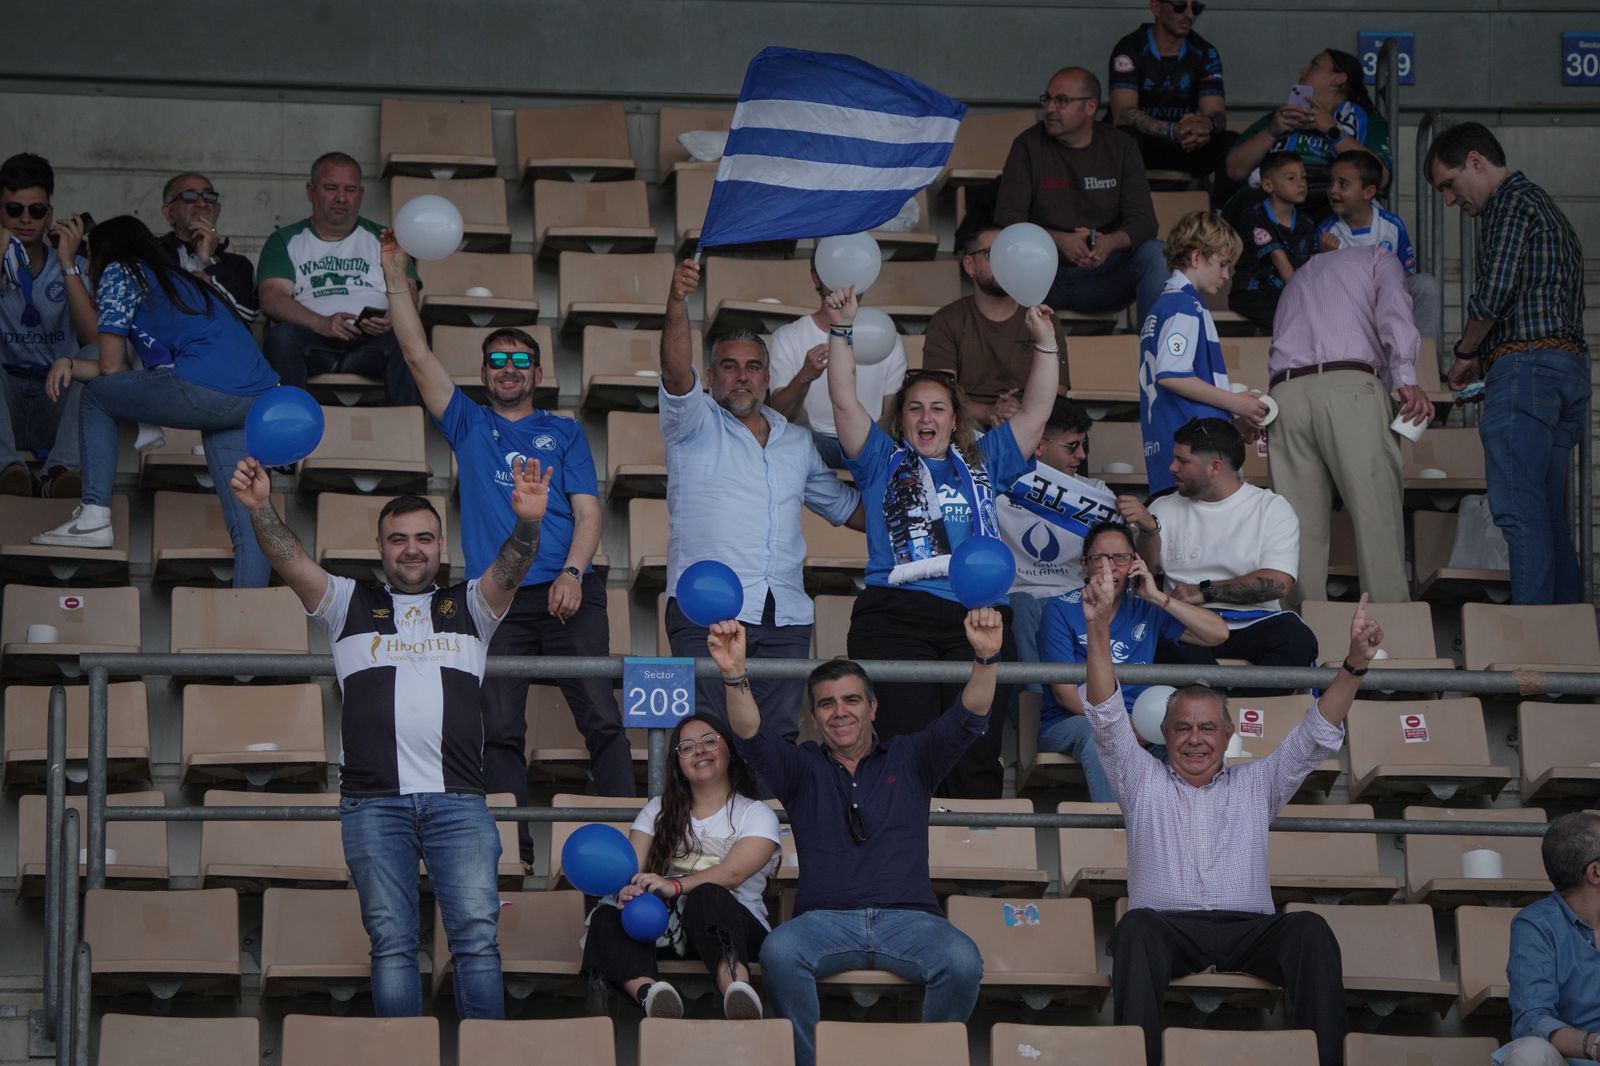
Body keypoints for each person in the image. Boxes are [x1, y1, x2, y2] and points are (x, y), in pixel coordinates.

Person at [230, 456, 554, 1020]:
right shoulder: (347, 604)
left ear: (440, 546)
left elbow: (512, 566)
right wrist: (262, 509)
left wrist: (527, 524)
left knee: (477, 943)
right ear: (380, 548)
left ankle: (488, 1057)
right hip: (373, 802)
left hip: (459, 802)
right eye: (398, 539)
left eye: (424, 539)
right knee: (393, 946)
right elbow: (291, 560)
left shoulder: (471, 606)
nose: (411, 549)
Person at [378, 232, 632, 868]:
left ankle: (633, 838)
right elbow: (414, 352)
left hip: (568, 588)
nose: (509, 371)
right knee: (500, 729)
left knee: (602, 716)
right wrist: (393, 275)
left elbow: (589, 510)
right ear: (485, 373)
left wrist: (573, 572)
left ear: (538, 375)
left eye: (522, 363)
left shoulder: (564, 431)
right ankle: (508, 852)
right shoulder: (467, 424)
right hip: (493, 599)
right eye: (498, 362)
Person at [1084, 575, 1381, 1066]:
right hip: (1168, 928)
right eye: (1182, 728)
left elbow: (1316, 734)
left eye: (1207, 728)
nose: (1195, 739)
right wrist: (1097, 629)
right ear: (1164, 733)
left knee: (1309, 929)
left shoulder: (1257, 782)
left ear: (1228, 734)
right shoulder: (1142, 782)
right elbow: (1106, 715)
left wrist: (1353, 665)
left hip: (1250, 930)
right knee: (1134, 929)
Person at [714, 612, 999, 1066]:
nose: (840, 711)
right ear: (813, 716)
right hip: (825, 922)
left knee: (962, 960)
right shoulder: (801, 766)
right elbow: (749, 734)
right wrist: (734, 675)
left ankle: (931, 1059)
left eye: (851, 700)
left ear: (873, 707)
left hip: (910, 921)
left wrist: (985, 656)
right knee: (780, 951)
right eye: (827, 704)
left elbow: (970, 714)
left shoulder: (911, 757)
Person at [826, 282, 1056, 798]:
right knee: (904, 743)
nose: (925, 417)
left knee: (974, 745)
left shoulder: (985, 459)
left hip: (977, 617)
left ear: (956, 419)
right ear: (901, 419)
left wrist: (1045, 343)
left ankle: (974, 858)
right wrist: (842, 329)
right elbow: (843, 399)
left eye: (937, 408)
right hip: (896, 615)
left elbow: (1037, 412)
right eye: (914, 408)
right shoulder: (880, 460)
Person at [659, 259, 862, 739]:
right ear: (710, 376)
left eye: (753, 367)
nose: (742, 377)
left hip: (785, 615)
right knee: (710, 739)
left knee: (777, 744)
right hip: (707, 609)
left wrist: (918, 517)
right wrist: (675, 302)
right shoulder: (692, 423)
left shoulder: (795, 440)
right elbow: (673, 368)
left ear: (768, 378)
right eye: (729, 367)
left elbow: (846, 509)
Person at [29, 216, 277, 587]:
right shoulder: (172, 278)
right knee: (247, 526)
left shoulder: (118, 271)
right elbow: (124, 369)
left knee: (96, 398)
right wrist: (68, 363)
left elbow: (111, 371)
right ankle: (245, 627)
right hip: (253, 398)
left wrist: (71, 365)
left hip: (206, 385)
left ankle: (94, 515)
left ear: (102, 252)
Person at [1427, 122, 1588, 606]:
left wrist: (1466, 353)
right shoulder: (1547, 208)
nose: (1450, 202)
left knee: (1520, 512)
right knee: (1549, 516)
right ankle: (1567, 651)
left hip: (1526, 374)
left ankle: (1532, 647)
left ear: (1476, 161)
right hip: (1566, 372)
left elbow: (1492, 293)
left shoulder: (1510, 203)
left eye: (1449, 185)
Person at [580, 714, 780, 1021]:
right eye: (686, 747)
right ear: (678, 764)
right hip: (665, 928)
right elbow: (631, 866)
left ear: (729, 750)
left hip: (734, 928)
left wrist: (674, 885)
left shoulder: (756, 813)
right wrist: (628, 889)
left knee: (708, 894)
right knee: (608, 913)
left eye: (709, 741)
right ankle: (650, 994)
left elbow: (733, 874)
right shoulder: (657, 811)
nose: (699, 750)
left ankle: (736, 989)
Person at [1266, 246, 1432, 605]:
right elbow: (1393, 308)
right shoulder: (1378, 258)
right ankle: (1395, 635)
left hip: (1285, 394)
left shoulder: (1299, 278)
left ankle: (1302, 641)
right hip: (1349, 387)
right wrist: (1405, 376)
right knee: (1377, 519)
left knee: (1297, 532)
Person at [1036, 521, 1227, 801]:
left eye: (1121, 558)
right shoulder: (1060, 609)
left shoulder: (1144, 608)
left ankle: (1186, 832)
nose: (1109, 566)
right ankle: (1117, 835)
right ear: (1084, 565)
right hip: (1072, 721)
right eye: (1099, 558)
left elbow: (1217, 634)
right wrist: (1122, 726)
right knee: (1104, 737)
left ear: (1135, 564)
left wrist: (1156, 596)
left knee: (1187, 738)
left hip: (1142, 724)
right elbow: (1065, 694)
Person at [1119, 418, 1319, 685]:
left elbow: (1278, 584)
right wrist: (1148, 529)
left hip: (1254, 621)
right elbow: (1144, 570)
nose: (1172, 468)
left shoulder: (1271, 508)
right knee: (1163, 645)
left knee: (1297, 640)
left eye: (1183, 461)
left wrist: (1203, 591)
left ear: (1215, 467)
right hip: (1185, 623)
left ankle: (1244, 711)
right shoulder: (1161, 507)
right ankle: (1215, 712)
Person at [994, 67, 1166, 324]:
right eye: (1048, 99)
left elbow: (1144, 222)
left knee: (1158, 253)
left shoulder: (1121, 146)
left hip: (1103, 275)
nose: (1050, 108)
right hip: (1041, 277)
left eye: (1061, 101)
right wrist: (1059, 240)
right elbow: (1008, 218)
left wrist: (1109, 243)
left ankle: (1157, 356)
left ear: (1090, 107)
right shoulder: (1027, 145)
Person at [257, 151, 421, 406]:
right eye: (331, 188)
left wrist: (393, 319)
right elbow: (271, 297)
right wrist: (320, 323)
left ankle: (409, 438)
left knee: (408, 339)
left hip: (374, 343)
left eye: (350, 189)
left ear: (361, 195)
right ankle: (288, 431)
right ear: (311, 192)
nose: (341, 198)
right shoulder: (285, 240)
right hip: (312, 341)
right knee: (282, 338)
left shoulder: (386, 238)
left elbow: (408, 290)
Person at [1137, 209, 1264, 492]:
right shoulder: (1183, 305)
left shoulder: (1166, 305)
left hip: (1174, 442)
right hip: (1192, 452)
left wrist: (1230, 416)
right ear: (1197, 257)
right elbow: (1173, 376)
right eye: (1222, 264)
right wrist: (1236, 402)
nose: (1226, 274)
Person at [995, 397, 1116, 674]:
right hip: (1019, 602)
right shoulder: (997, 486)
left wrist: (1145, 526)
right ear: (1038, 445)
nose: (1082, 456)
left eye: (1083, 445)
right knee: (1021, 606)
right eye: (1072, 446)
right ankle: (1034, 706)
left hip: (1075, 599)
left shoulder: (1096, 492)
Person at [0, 152, 95, 498]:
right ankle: (6, 469)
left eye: (36, 211)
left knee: (100, 354)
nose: (25, 219)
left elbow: (92, 339)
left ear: (49, 214)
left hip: (54, 394)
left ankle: (59, 472)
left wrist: (68, 263)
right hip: (5, 397)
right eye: (13, 210)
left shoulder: (73, 263)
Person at [922, 219, 1068, 430]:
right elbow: (939, 393)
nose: (1005, 262)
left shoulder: (1044, 319)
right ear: (969, 265)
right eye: (993, 254)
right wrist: (989, 412)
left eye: (1010, 254)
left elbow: (1059, 391)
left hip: (1032, 426)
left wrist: (1023, 411)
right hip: (965, 428)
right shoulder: (946, 320)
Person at [767, 250, 907, 468]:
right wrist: (805, 376)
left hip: (870, 445)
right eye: (836, 268)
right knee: (793, 437)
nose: (845, 279)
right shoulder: (787, 337)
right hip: (813, 443)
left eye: (854, 269)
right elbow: (779, 416)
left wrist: (869, 447)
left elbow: (892, 415)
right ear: (816, 277)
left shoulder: (887, 337)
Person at [1225, 49, 1391, 219]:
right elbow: (1234, 170)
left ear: (1338, 79)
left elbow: (1381, 177)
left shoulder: (1368, 120)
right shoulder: (1280, 116)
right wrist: (1272, 131)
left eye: (1315, 65)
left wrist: (1333, 131)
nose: (1302, 71)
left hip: (1329, 196)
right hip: (1274, 197)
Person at [1498, 812, 1600, 1066]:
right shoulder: (1536, 925)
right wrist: (1594, 1046)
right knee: (1529, 1054)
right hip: (1572, 1059)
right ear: (1596, 872)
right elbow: (1531, 1019)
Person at [1316, 150, 1443, 345]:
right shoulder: (1326, 232)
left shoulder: (1391, 225)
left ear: (1369, 192)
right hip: (1350, 306)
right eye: (1331, 182)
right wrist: (1327, 258)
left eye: (1343, 184)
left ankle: (1423, 359)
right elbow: (1318, 288)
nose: (1333, 190)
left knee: (1426, 284)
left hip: (1389, 296)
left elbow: (1406, 272)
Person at [1107, 0, 1238, 185]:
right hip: (1146, 144)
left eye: (1196, 8)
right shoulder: (1130, 48)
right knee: (1125, 138)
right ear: (1156, 7)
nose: (1189, 15)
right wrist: (1170, 130)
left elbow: (1217, 114)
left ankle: (1220, 210)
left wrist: (1206, 125)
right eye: (1180, 6)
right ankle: (1124, 209)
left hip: (1186, 143)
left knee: (1232, 143)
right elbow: (1123, 114)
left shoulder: (1205, 51)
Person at [1225, 151, 1316, 334]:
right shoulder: (1255, 216)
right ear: (1267, 185)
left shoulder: (1307, 223)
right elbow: (1277, 257)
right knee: (1291, 319)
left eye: (1304, 177)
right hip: (1253, 294)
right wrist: (1304, 299)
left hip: (1288, 294)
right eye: (1291, 178)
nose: (1301, 183)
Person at [157, 172, 259, 325]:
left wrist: (210, 258)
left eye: (209, 197)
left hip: (218, 346)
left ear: (217, 209)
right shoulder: (152, 254)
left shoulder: (238, 265)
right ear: (169, 212)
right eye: (190, 196)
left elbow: (247, 315)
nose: (202, 203)